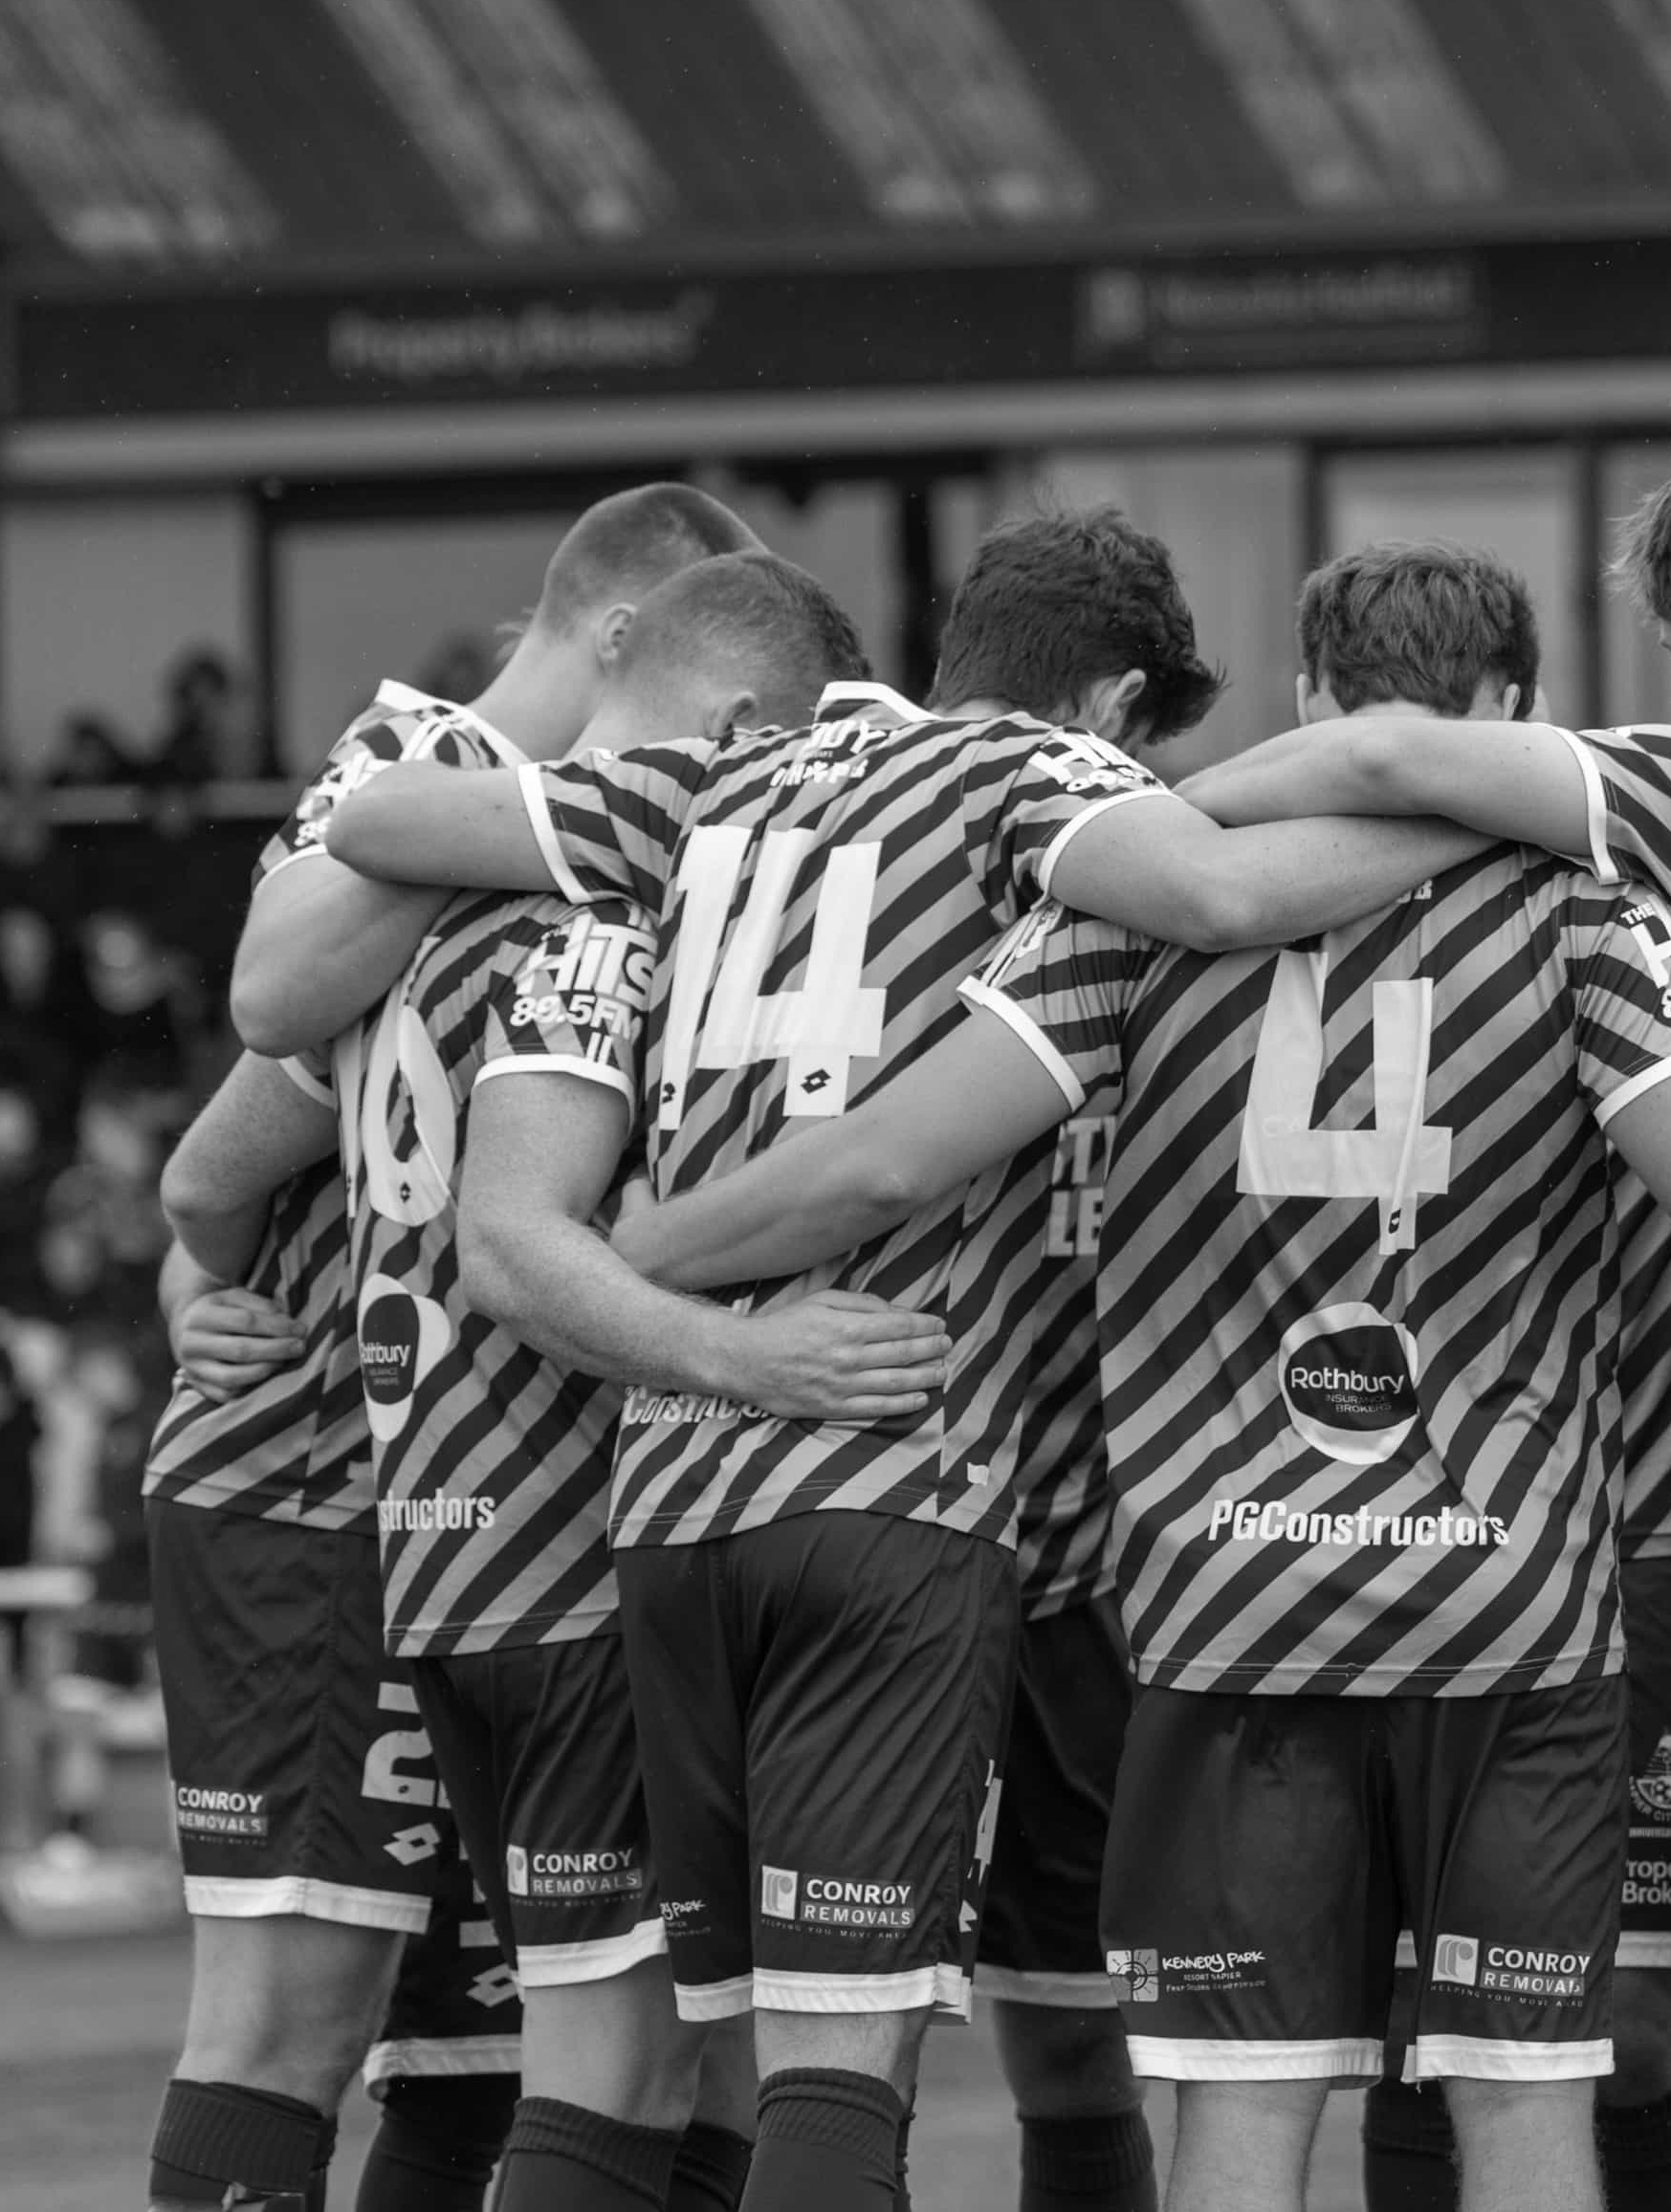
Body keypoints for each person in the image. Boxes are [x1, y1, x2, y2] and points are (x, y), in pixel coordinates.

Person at [323, 507, 1482, 2212]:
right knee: (858, 2063)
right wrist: (1528, 807)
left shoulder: (706, 790)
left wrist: (690, 1316)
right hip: (928, 1482)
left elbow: (379, 816)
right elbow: (1224, 890)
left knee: (663, 2062)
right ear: (1104, 708)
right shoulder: (1026, 781)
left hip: (670, 1502)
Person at [595, 540, 1671, 2212]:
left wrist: (633, 1256)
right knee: (1523, 2100)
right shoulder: (1586, 912)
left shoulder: (1119, 928)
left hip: (1227, 1604)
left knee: (1241, 2118)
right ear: (1523, 716)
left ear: (1312, 702)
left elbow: (884, 1160)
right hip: (1510, 1603)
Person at [174, 557, 956, 2212]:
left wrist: (204, 1279)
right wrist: (755, 1351)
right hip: (572, 1537)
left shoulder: (396, 896)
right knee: (629, 2067)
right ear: (736, 719)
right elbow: (515, 1245)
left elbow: (203, 1175)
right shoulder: (609, 905)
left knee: (499, 2062)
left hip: (430, 1545)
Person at [1174, 489, 1671, 2212]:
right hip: (1582, 1511)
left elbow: (1400, 765)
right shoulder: (1592, 850)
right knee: (1547, 2012)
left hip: (1599, 1505)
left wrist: (1161, 821)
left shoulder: (1645, 799)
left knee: (1537, 2018)